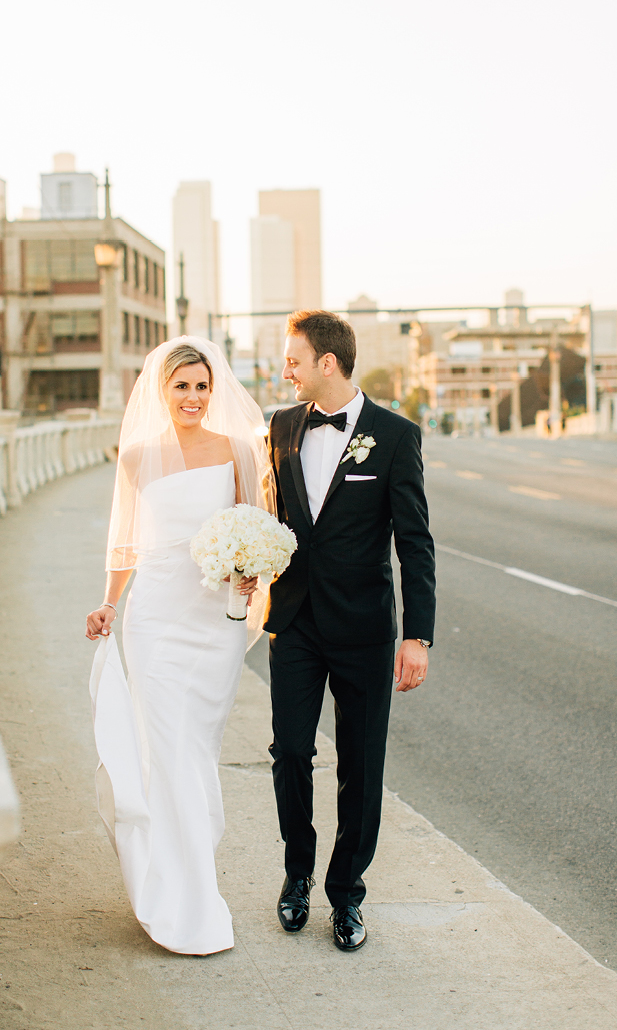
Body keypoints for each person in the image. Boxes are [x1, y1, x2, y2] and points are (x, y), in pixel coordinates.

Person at [86, 337, 270, 955]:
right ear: (162, 390)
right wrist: (110, 602)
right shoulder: (137, 456)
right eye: (182, 386)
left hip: (214, 621)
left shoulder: (237, 448)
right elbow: (126, 541)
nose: (193, 397)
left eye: (201, 386)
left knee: (197, 749)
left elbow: (255, 523)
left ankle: (188, 861)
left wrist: (251, 570)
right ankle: (183, 891)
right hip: (156, 617)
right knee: (165, 750)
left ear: (213, 391)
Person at [265, 310, 436, 951]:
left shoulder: (394, 436)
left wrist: (416, 636)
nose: (286, 370)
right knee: (289, 754)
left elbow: (415, 544)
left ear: (326, 364)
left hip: (364, 628)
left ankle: (346, 894)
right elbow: (272, 514)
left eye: (294, 360)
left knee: (361, 766)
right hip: (296, 622)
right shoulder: (279, 427)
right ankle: (296, 874)